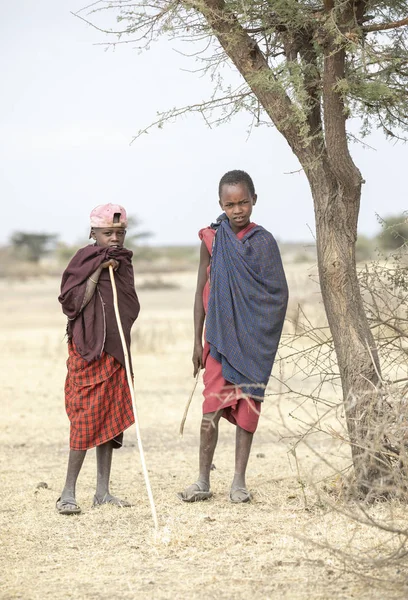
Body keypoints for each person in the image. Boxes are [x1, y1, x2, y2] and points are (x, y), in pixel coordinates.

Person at [178, 170, 288, 504]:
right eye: (230, 204)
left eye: (243, 202)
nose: (237, 209)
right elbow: (201, 292)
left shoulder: (264, 242)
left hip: (252, 342)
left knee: (248, 408)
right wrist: (197, 341)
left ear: (254, 199)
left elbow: (276, 294)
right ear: (221, 204)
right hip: (218, 341)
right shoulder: (212, 239)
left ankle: (238, 482)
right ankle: (202, 480)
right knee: (211, 406)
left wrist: (256, 326)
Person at [56, 203, 140, 515]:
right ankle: (68, 492)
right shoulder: (83, 260)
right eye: (108, 233)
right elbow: (71, 304)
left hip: (116, 350)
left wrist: (113, 268)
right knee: (84, 421)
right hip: (88, 351)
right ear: (93, 233)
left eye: (120, 233)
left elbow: (129, 304)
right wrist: (97, 272)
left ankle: (103, 491)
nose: (115, 238)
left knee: (110, 419)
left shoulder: (124, 262)